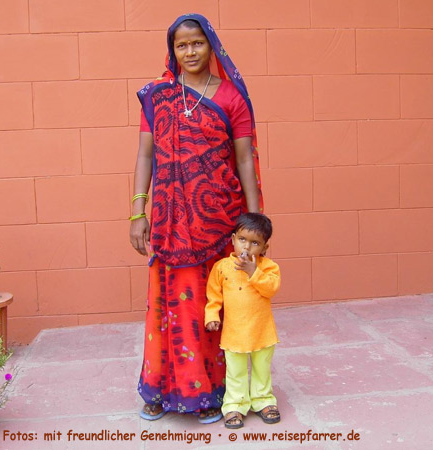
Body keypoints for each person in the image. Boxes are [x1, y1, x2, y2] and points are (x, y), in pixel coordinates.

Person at [129, 13, 263, 423]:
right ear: (172, 50)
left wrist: (255, 223)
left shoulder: (231, 98)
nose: (189, 52)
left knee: (213, 306)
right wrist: (138, 209)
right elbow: (145, 154)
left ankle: (210, 391)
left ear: (212, 46)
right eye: (181, 45)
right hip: (170, 220)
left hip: (218, 219)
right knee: (168, 305)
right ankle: (161, 387)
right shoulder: (158, 95)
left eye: (197, 43)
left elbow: (244, 160)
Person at [205, 213, 281, 429]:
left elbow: (271, 289)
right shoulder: (222, 268)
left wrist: (253, 272)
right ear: (233, 240)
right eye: (242, 240)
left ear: (265, 248)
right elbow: (214, 296)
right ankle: (235, 405)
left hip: (262, 331)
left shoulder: (269, 267)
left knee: (261, 369)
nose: (247, 247)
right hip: (234, 333)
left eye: (255, 242)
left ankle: (263, 401)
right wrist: (211, 316)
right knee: (235, 371)